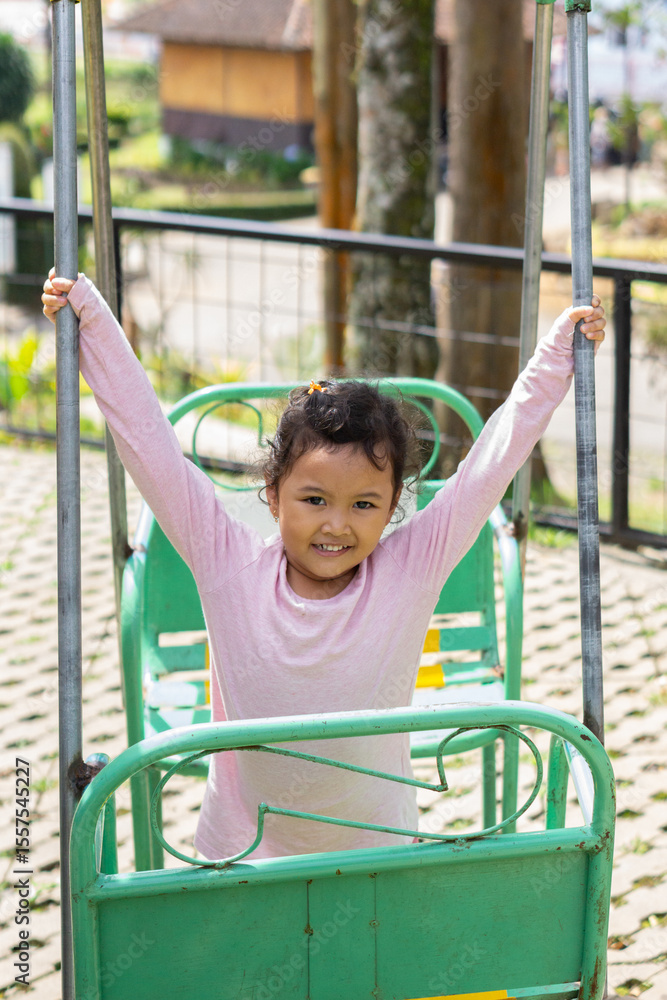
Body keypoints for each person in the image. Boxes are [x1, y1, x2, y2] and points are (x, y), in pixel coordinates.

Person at [42, 272, 605, 862]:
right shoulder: (225, 562)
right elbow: (149, 443)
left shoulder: (409, 572)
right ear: (273, 492)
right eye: (315, 500)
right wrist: (89, 319)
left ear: (392, 508)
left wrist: (558, 353)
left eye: (364, 505)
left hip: (378, 849)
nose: (337, 525)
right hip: (245, 852)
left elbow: (493, 462)